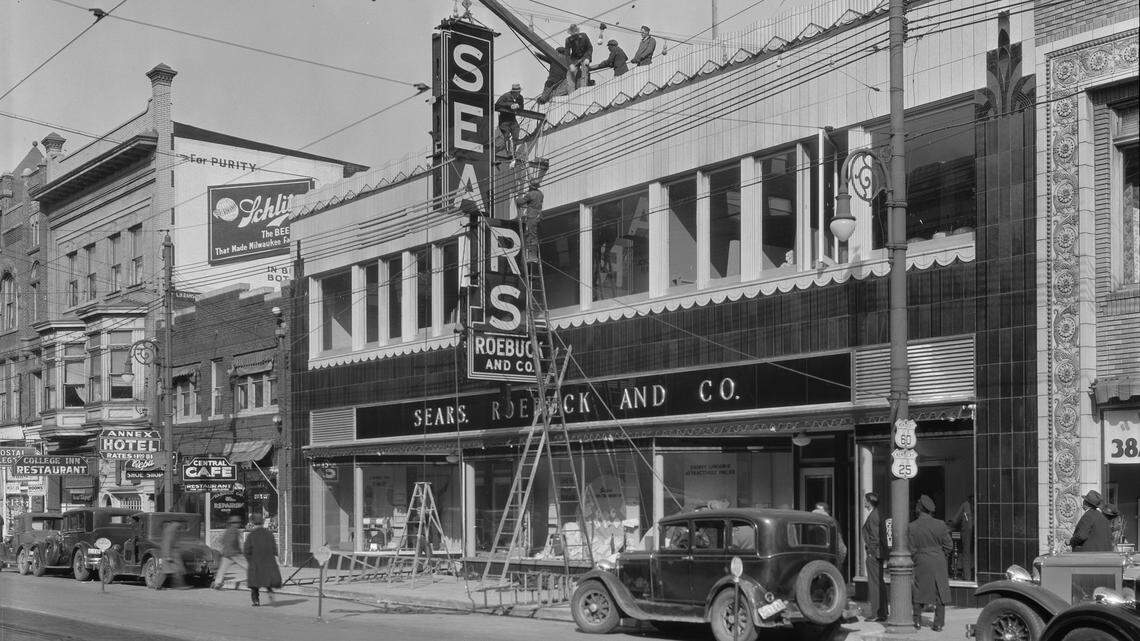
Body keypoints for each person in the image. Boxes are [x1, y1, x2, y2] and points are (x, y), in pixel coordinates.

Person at [909, 495, 952, 632]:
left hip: (921, 560)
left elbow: (911, 549)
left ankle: (917, 622)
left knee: (918, 590)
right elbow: (949, 546)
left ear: (920, 508)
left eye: (917, 505)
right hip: (938, 560)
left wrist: (919, 557)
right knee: (940, 591)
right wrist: (939, 555)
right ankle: (938, 624)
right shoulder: (940, 524)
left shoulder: (912, 526)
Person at [243, 512, 281, 606]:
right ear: (263, 522)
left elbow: (246, 550)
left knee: (254, 585)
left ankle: (256, 601)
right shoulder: (269, 534)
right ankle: (270, 591)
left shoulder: (251, 535)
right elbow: (274, 549)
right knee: (267, 580)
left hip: (255, 563)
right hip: (268, 562)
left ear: (253, 523)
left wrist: (250, 560)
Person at [861, 492, 888, 622]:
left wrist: (871, 552)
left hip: (874, 554)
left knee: (875, 584)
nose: (863, 502)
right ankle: (882, 612)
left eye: (865, 500)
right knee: (879, 582)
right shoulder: (877, 513)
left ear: (869, 501)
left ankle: (877, 612)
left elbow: (874, 537)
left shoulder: (873, 516)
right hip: (878, 553)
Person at [211, 515, 245, 590]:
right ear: (235, 523)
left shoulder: (227, 531)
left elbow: (221, 540)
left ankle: (217, 583)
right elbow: (234, 542)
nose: (239, 524)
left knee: (222, 569)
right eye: (238, 523)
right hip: (234, 553)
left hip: (226, 553)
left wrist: (225, 548)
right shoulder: (235, 531)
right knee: (247, 565)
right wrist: (239, 550)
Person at [950, 495, 975, 581]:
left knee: (966, 553)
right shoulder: (979, 505)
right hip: (976, 534)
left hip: (967, 534)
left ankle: (967, 576)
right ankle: (969, 575)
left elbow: (955, 520)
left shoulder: (966, 505)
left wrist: (951, 525)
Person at [495, 83, 524, 155]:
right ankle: (506, 151)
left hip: (512, 119)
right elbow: (496, 106)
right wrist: (510, 105)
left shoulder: (520, 98)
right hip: (504, 119)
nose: (518, 94)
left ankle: (513, 151)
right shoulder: (505, 96)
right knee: (506, 135)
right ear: (513, 91)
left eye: (519, 92)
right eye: (517, 92)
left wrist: (518, 106)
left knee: (516, 130)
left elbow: (522, 108)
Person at [159, 521, 186, 589]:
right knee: (172, 571)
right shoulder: (171, 532)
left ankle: (157, 585)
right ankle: (179, 585)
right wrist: (168, 556)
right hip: (171, 554)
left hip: (172, 553)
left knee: (169, 571)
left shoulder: (172, 531)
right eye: (179, 528)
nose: (180, 530)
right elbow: (167, 543)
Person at [564, 24, 593, 89]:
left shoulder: (584, 36)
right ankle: (571, 93)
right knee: (570, 74)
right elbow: (567, 54)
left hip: (584, 57)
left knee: (584, 69)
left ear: (577, 32)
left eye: (575, 33)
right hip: (575, 58)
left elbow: (590, 48)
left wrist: (588, 58)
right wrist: (570, 64)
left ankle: (583, 89)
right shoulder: (568, 40)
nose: (574, 35)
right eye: (572, 34)